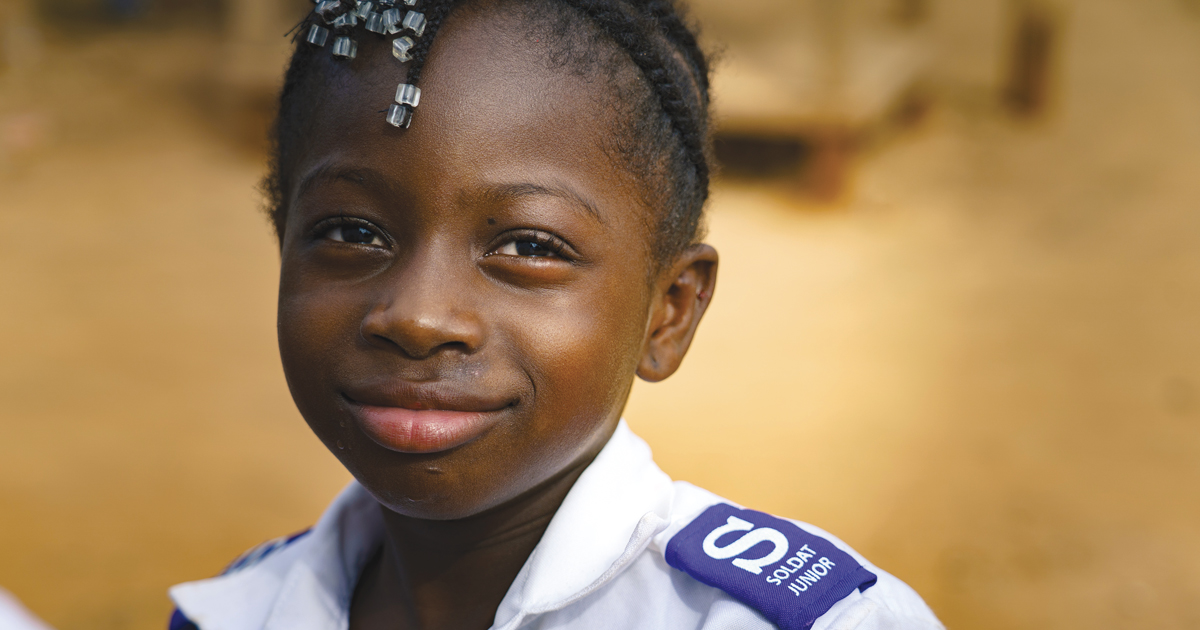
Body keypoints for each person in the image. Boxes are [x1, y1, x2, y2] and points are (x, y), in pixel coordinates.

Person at [168, 0, 944, 628]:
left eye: (529, 246)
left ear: (668, 314)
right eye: (352, 232)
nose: (416, 315)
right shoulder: (238, 611)